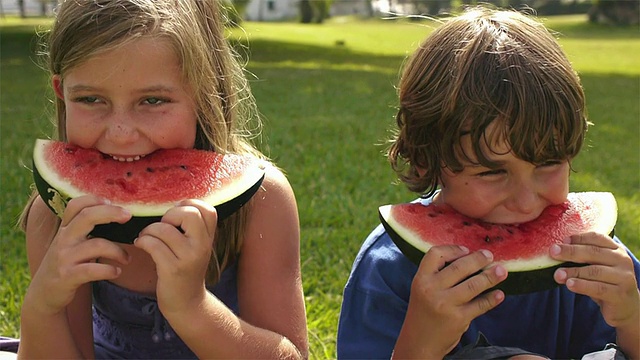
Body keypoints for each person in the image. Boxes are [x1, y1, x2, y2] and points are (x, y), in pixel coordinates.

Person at [337, 6, 640, 360]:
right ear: (427, 160)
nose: (526, 202)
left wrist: (632, 319)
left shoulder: (594, 256)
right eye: (492, 172)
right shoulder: (388, 271)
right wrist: (419, 344)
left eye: (549, 163)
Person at [17, 0, 308, 358]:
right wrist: (42, 308)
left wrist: (192, 307)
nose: (121, 133)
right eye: (91, 99)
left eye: (152, 101)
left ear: (202, 95)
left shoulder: (262, 201)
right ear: (63, 92)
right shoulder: (56, 215)